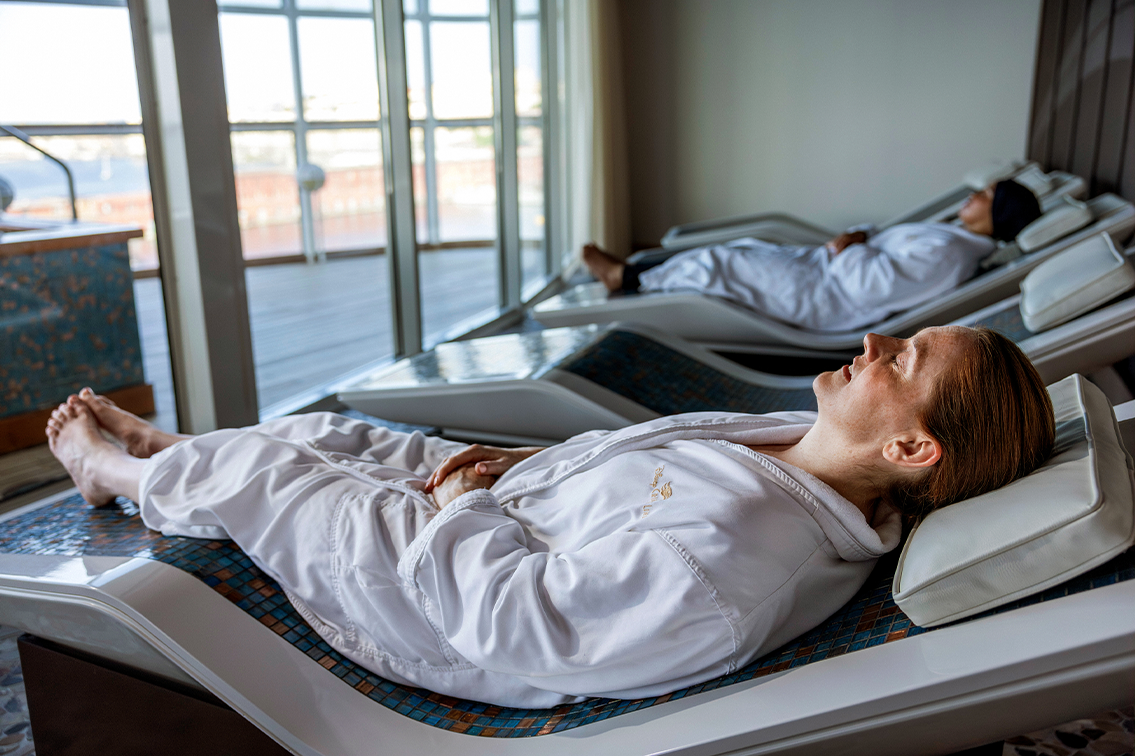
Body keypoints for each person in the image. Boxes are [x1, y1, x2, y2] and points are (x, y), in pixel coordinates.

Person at [45, 326, 1054, 708]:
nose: (874, 342)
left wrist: (464, 508)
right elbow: (631, 471)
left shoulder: (745, 561)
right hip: (516, 501)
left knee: (286, 479)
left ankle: (121, 476)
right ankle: (178, 454)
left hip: (438, 601)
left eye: (904, 361)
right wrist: (512, 468)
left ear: (912, 450)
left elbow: (525, 631)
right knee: (334, 428)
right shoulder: (788, 442)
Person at [582, 180, 1043, 331]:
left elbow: (870, 286)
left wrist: (850, 247)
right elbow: (876, 236)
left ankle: (628, 279)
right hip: (827, 271)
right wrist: (854, 237)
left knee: (728, 265)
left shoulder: (948, 254)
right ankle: (636, 270)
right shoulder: (952, 237)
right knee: (743, 251)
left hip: (829, 297)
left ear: (998, 213)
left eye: (985, 194)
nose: (973, 195)